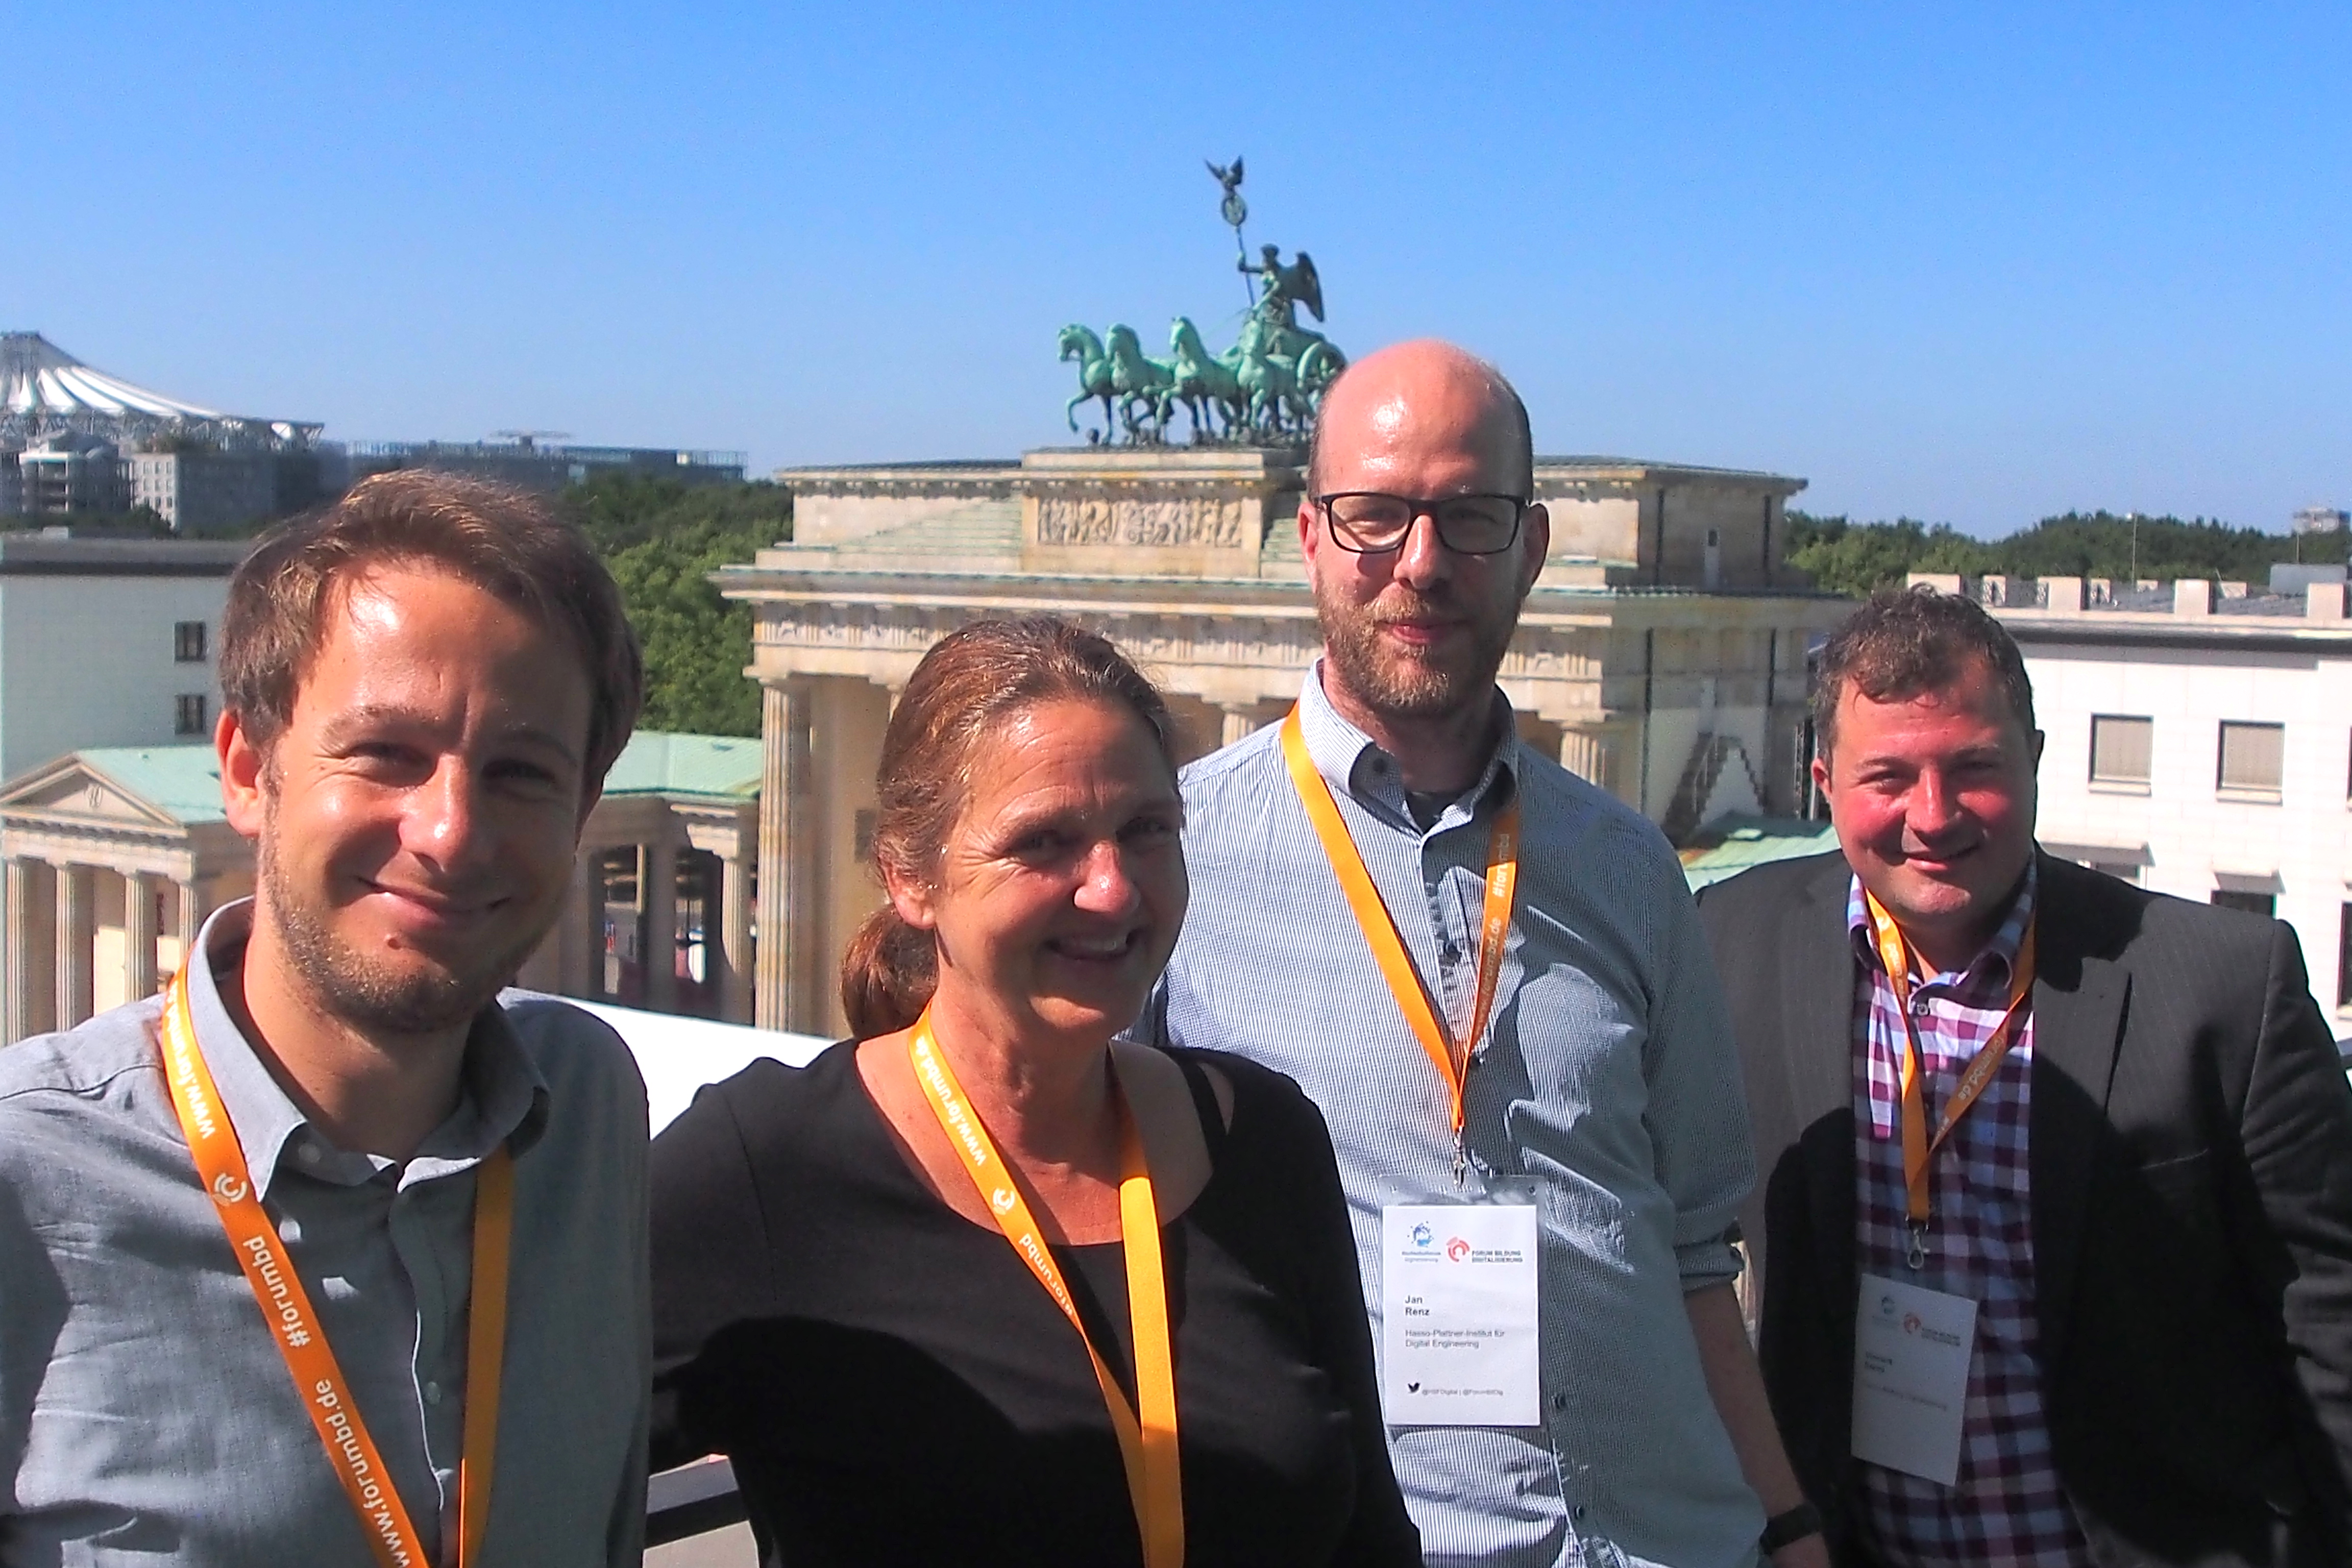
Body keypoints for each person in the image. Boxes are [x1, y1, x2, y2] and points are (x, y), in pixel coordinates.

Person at [1130, 339, 1823, 1568]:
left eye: (1471, 517)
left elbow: (1692, 1251)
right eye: (1377, 514)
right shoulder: (1176, 862)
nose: (1422, 561)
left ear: (1534, 547)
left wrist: (1789, 1526)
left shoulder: (1628, 867)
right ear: (1309, 537)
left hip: (1670, 1541)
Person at [649, 617, 1419, 1567]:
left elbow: (1369, 1538)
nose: (1112, 889)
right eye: (1044, 842)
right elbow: (502, 1469)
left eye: (1145, 831)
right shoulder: (765, 1167)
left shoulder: (1259, 1136)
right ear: (909, 876)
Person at [0, 471, 653, 1565]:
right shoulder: (30, 1177)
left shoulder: (586, 1107)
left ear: (582, 812)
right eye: (386, 754)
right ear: (250, 772)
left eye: (521, 772)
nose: (450, 830)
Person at [1696, 585, 2352, 1567]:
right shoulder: (1724, 945)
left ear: (2036, 762)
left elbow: (2331, 1316)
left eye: (1974, 768)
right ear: (1824, 782)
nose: (1934, 815)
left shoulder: (2222, 987)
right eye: (1890, 776)